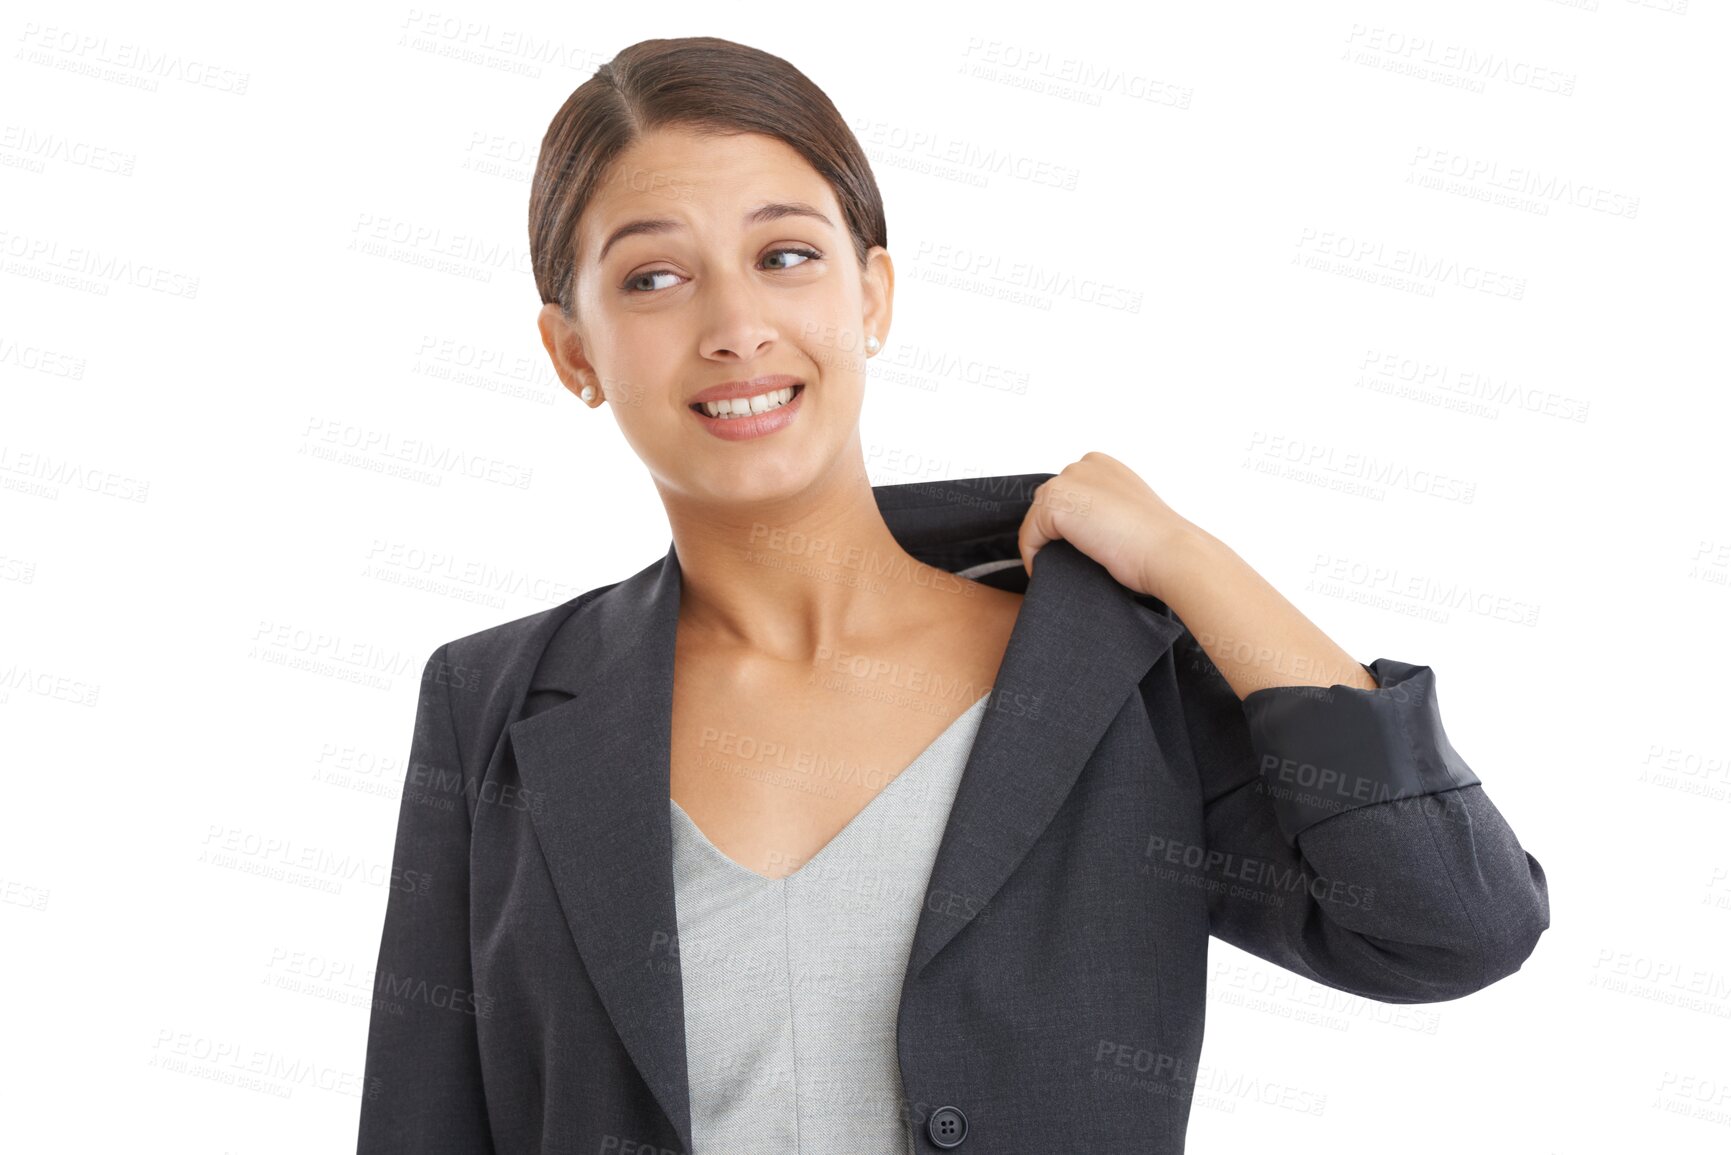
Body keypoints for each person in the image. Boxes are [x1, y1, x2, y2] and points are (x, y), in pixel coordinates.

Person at [357, 35, 1549, 1155]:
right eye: (656, 277)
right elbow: (425, 1117)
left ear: (871, 297)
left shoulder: (1096, 677)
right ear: (573, 352)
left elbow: (1452, 924)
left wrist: (1190, 560)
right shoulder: (494, 706)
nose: (736, 327)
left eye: (786, 256)